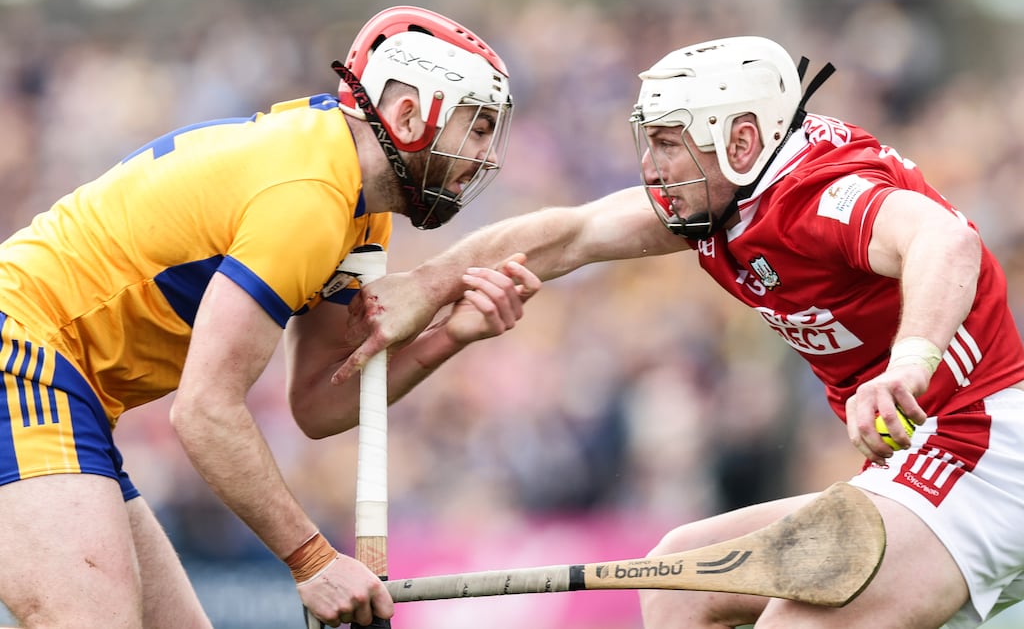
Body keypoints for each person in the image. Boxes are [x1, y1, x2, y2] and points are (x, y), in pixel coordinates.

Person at [337, 36, 1024, 628]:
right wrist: (425, 287)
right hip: (917, 460)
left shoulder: (819, 196)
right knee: (675, 583)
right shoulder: (725, 195)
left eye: (669, 144)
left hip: (983, 454)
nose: (653, 168)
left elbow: (947, 241)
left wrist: (909, 365)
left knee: (793, 618)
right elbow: (570, 234)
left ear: (744, 140)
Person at [0, 5, 540, 629]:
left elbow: (318, 403)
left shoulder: (358, 209)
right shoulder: (308, 198)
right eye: (474, 129)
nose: (485, 156)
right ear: (411, 116)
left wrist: (448, 337)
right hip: (21, 352)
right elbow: (204, 412)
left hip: (70, 393)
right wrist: (312, 560)